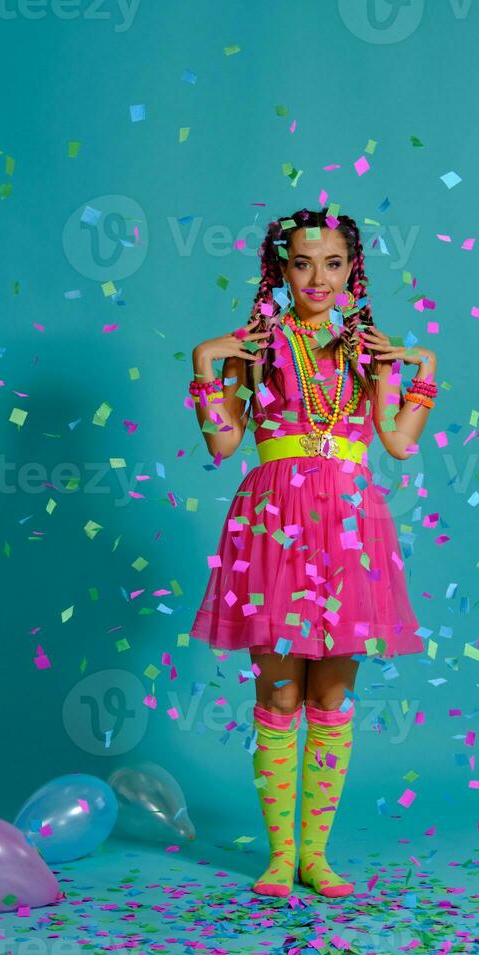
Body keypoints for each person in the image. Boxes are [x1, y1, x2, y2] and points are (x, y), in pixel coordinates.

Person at [187, 207, 438, 899]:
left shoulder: (365, 351)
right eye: (302, 263)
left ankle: (317, 857)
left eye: (332, 264)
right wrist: (209, 361)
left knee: (331, 694)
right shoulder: (258, 346)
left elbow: (399, 443)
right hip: (273, 526)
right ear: (280, 269)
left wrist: (423, 369)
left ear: (352, 270)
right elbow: (222, 445)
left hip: (349, 526)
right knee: (278, 692)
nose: (317, 278)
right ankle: (278, 854)